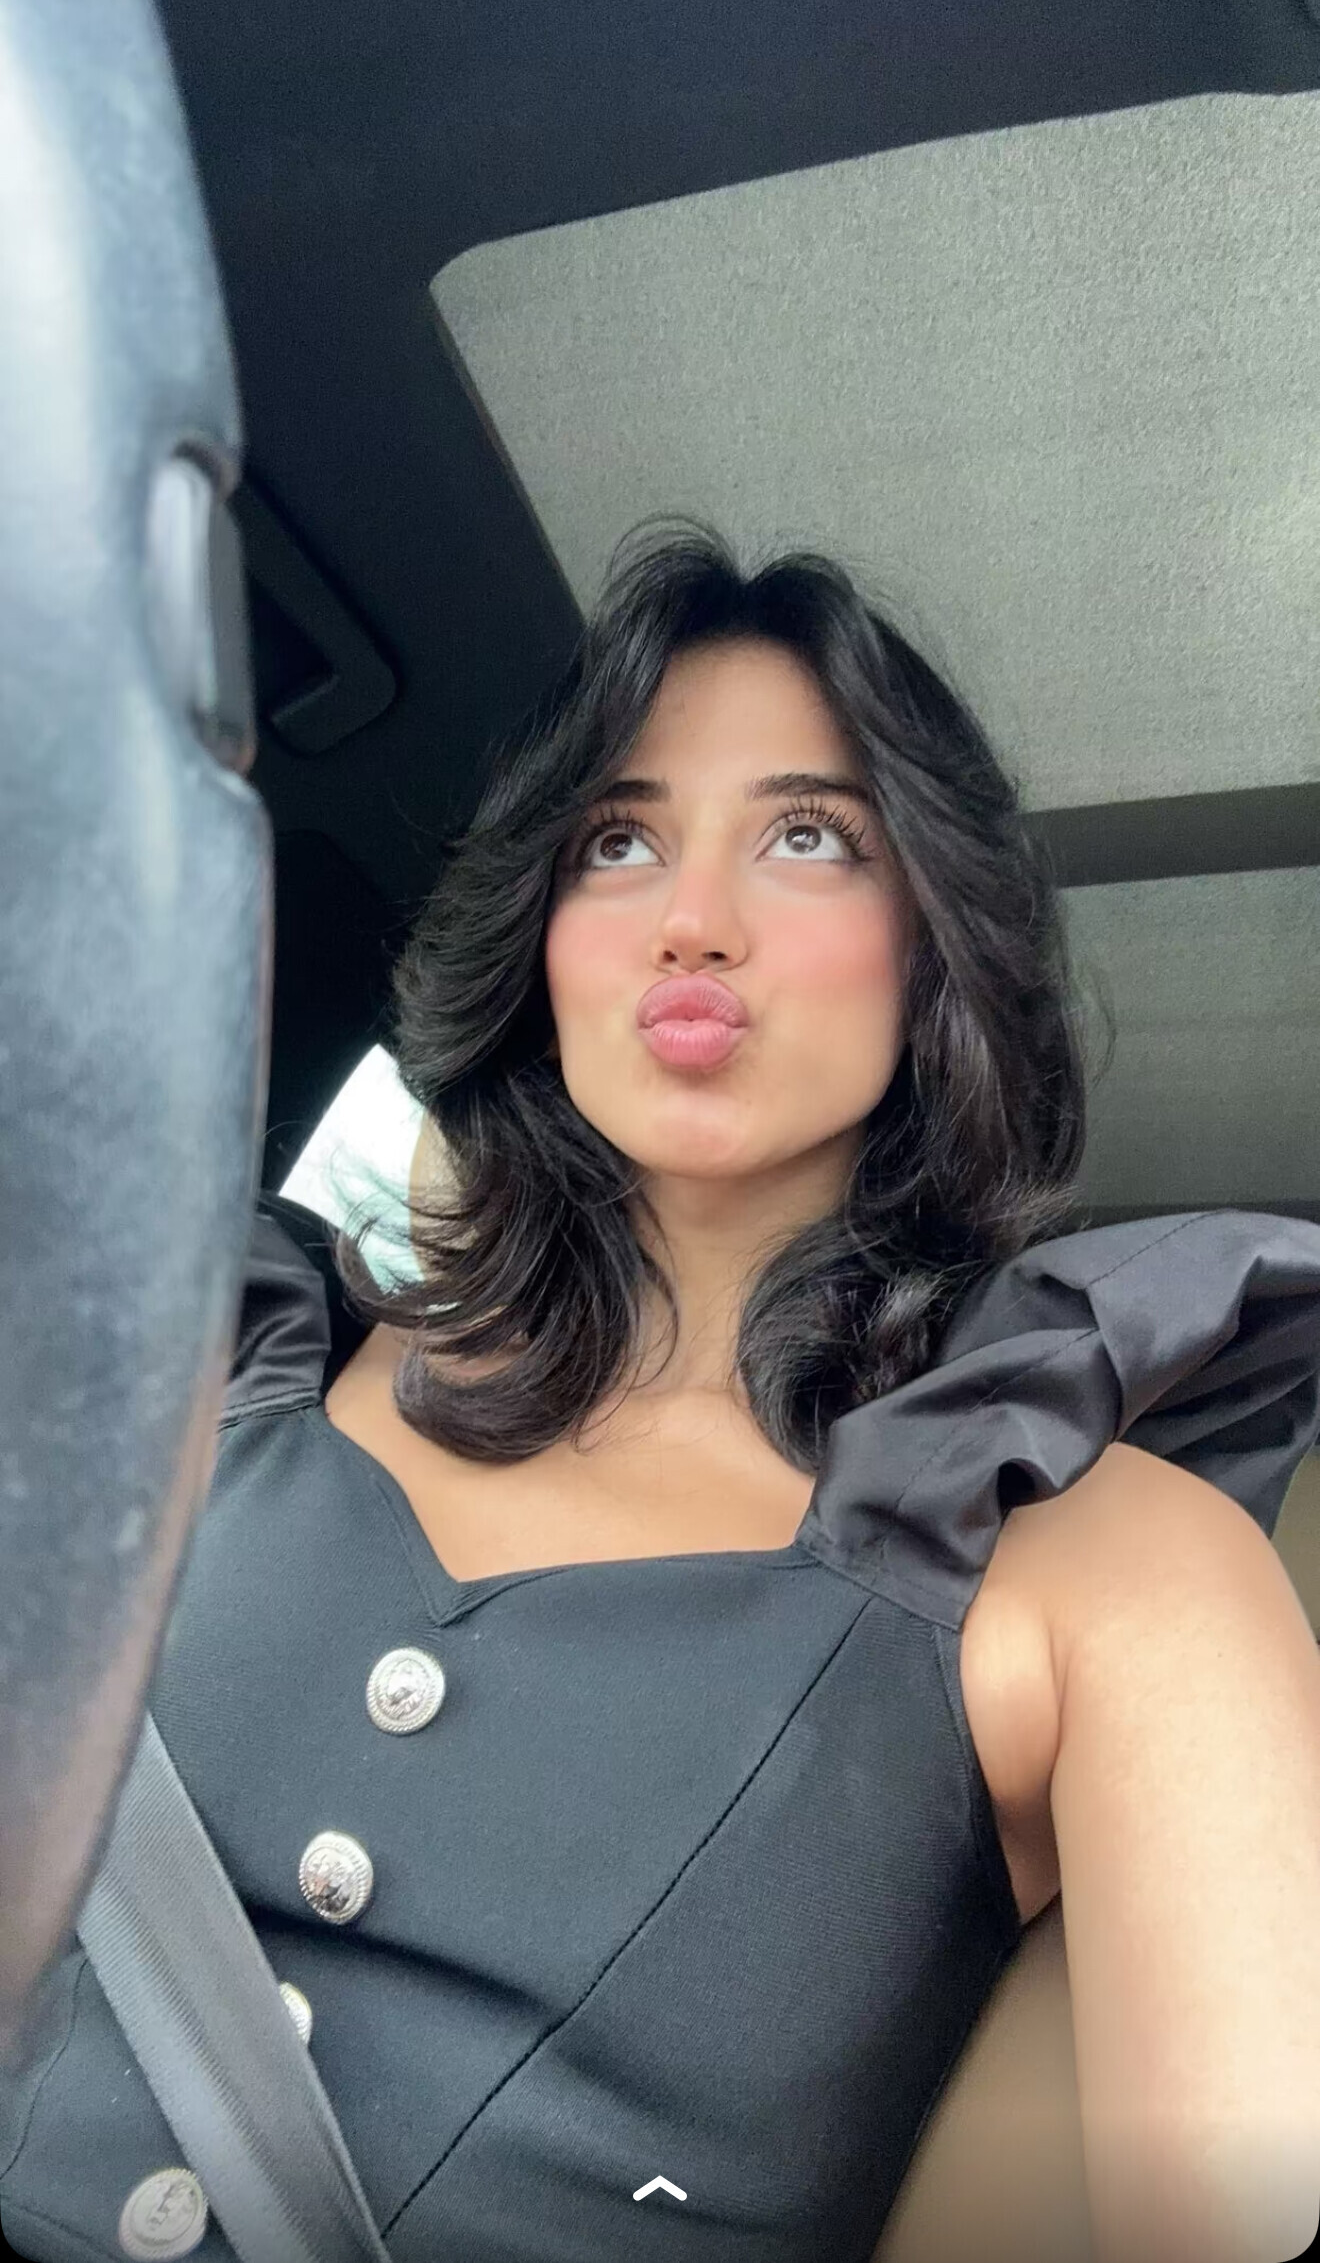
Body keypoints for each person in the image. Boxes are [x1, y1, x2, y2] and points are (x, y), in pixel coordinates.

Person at [2, 522, 1318, 2263]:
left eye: (808, 835)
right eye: (619, 840)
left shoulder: (1114, 1570)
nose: (693, 922)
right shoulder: (219, 1366)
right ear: (543, 933)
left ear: (935, 941)